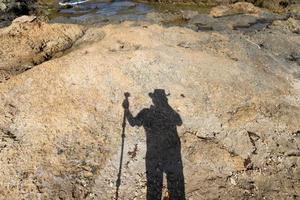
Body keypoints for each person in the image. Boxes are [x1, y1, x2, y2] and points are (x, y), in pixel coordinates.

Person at [122, 89, 185, 200]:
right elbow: (179, 122)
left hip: (154, 155)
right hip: (172, 154)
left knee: (153, 190)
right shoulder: (169, 112)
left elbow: (133, 122)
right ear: (164, 100)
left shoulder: (146, 113)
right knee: (176, 188)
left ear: (153, 100)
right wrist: (167, 107)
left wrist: (126, 110)